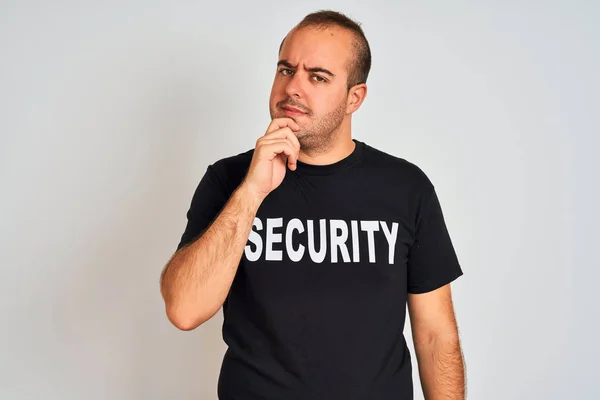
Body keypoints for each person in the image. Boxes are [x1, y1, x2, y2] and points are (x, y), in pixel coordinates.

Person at [160, 9, 466, 400]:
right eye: (286, 70)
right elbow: (184, 310)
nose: (293, 88)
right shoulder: (228, 181)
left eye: (317, 77)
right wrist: (251, 192)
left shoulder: (406, 188)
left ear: (355, 97)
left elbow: (436, 336)